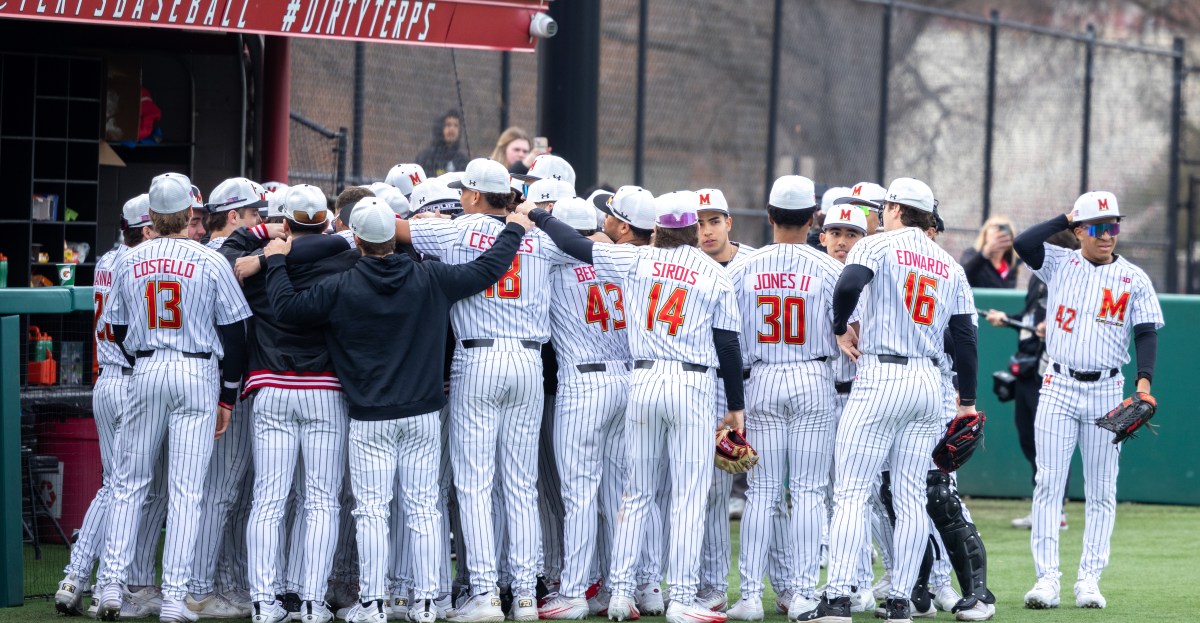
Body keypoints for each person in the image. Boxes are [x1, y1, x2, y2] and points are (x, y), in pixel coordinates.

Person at [264, 198, 533, 623]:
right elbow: (487, 270)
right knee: (424, 507)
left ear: (356, 239)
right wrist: (514, 230)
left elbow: (286, 308)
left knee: (372, 511)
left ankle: (372, 604)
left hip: (370, 416)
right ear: (394, 236)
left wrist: (276, 261)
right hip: (423, 413)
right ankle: (426, 604)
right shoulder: (430, 276)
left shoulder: (340, 286)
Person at [515, 190, 745, 623]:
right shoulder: (714, 273)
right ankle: (679, 598)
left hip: (642, 378)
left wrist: (537, 217)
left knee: (635, 492)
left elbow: (577, 245)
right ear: (695, 230)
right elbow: (728, 344)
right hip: (692, 382)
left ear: (657, 230)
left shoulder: (634, 260)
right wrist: (735, 406)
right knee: (687, 499)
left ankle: (620, 592)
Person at [389, 158, 572, 622]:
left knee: (474, 484)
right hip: (530, 361)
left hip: (477, 358)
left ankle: (486, 593)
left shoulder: (453, 231)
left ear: (471, 195)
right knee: (521, 485)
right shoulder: (536, 237)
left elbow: (384, 229)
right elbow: (587, 246)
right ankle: (526, 596)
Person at [795, 177, 978, 623]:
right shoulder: (947, 263)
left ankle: (837, 599)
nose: (880, 215)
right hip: (927, 383)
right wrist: (967, 403)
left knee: (852, 492)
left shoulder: (878, 245)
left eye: (885, 207)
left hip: (881, 374)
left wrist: (840, 326)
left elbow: (848, 286)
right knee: (912, 496)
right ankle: (901, 600)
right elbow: (965, 337)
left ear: (895, 209)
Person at [96, 173, 252, 623]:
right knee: (187, 491)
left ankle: (111, 586)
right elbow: (235, 335)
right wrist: (227, 397)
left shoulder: (128, 258)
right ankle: (173, 600)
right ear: (188, 214)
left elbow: (119, 331)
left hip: (145, 368)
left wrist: (146, 354)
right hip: (196, 370)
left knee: (128, 481)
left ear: (153, 216)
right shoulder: (209, 259)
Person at [1013, 191, 1163, 610]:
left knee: (1101, 489)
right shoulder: (1060, 264)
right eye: (1098, 227)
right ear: (1078, 231)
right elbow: (1024, 242)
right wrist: (1067, 215)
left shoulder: (1134, 278)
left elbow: (1147, 331)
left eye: (1113, 226)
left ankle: (1089, 580)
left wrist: (1145, 382)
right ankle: (1047, 579)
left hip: (1107, 390)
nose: (1107, 235)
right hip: (1058, 386)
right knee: (1048, 484)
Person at [725, 176, 843, 621]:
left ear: (770, 216)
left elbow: (725, 334)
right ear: (814, 218)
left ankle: (751, 596)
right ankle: (801, 594)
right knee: (810, 492)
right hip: (814, 376)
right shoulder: (830, 268)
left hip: (763, 379)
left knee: (762, 493)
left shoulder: (743, 266)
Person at [55, 195, 168, 619]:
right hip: (129, 380)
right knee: (123, 488)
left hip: (106, 382)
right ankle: (93, 579)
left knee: (114, 486)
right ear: (145, 230)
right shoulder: (134, 265)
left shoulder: (106, 259)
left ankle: (74, 579)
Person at [537, 197, 636, 621]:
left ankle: (574, 590)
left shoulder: (552, 271)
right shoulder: (617, 262)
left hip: (583, 382)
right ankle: (620, 590)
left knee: (579, 494)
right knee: (617, 492)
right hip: (626, 378)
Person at [186, 177, 271, 619]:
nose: (261, 219)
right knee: (220, 493)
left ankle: (221, 582)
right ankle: (199, 588)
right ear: (234, 216)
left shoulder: (206, 254)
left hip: (206, 382)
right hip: (224, 388)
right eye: (255, 213)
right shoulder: (221, 256)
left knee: (225, 493)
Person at [991, 230, 1079, 530]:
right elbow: (1030, 318)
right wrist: (1007, 318)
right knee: (1029, 439)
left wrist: (1052, 326)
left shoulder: (1072, 278)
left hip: (1052, 373)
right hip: (1027, 370)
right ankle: (1043, 505)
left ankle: (1057, 511)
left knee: (1051, 444)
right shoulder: (1036, 277)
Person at [694, 188, 755, 612]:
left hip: (757, 381)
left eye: (713, 221)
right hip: (709, 384)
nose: (706, 231)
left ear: (729, 222)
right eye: (698, 223)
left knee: (769, 488)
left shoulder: (755, 262)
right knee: (714, 491)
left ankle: (786, 584)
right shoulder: (688, 263)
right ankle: (714, 585)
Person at [960, 216, 1020, 289]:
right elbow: (962, 275)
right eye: (994, 227)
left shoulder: (1010, 264)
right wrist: (984, 254)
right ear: (985, 234)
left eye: (1002, 228)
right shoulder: (971, 254)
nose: (998, 232)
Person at [415, 109, 470, 176]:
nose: (452, 129)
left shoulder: (463, 161)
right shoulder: (426, 158)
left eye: (456, 125)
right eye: (448, 125)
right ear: (440, 129)